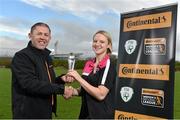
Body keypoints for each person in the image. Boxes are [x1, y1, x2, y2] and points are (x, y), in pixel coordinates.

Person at [11, 22, 73, 119]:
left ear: (49, 38)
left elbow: (46, 82)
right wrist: (62, 89)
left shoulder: (47, 57)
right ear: (30, 36)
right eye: (39, 34)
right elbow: (29, 84)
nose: (43, 37)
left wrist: (61, 79)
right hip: (28, 114)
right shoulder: (22, 56)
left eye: (46, 35)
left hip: (45, 112)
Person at [67, 30, 117, 119]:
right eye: (95, 41)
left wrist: (78, 78)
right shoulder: (89, 63)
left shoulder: (109, 65)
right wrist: (72, 91)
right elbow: (85, 89)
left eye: (102, 42)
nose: (97, 44)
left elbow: (101, 94)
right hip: (85, 114)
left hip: (102, 116)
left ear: (108, 45)